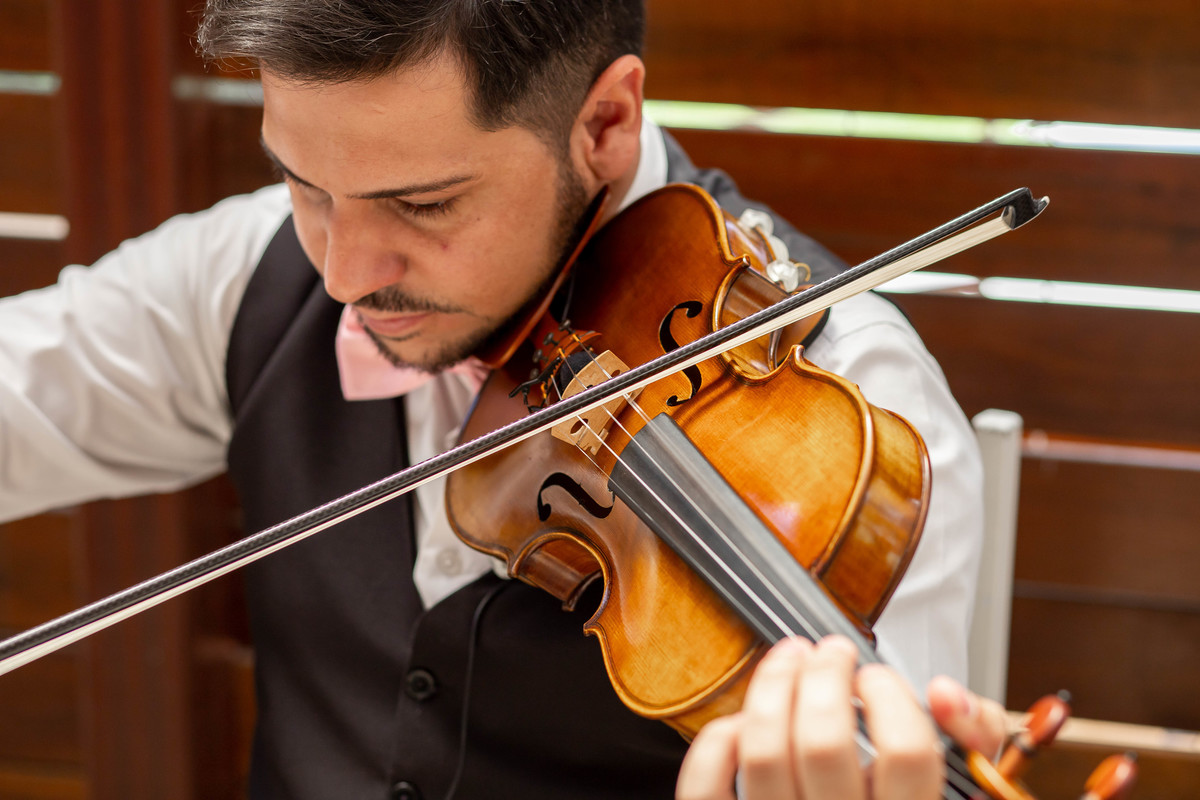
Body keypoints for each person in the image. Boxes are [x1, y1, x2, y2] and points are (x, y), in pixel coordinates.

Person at [0, 1, 999, 798]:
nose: (345, 272)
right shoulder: (252, 272)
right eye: (303, 181)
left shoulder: (854, 416)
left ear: (605, 123)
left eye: (424, 203)